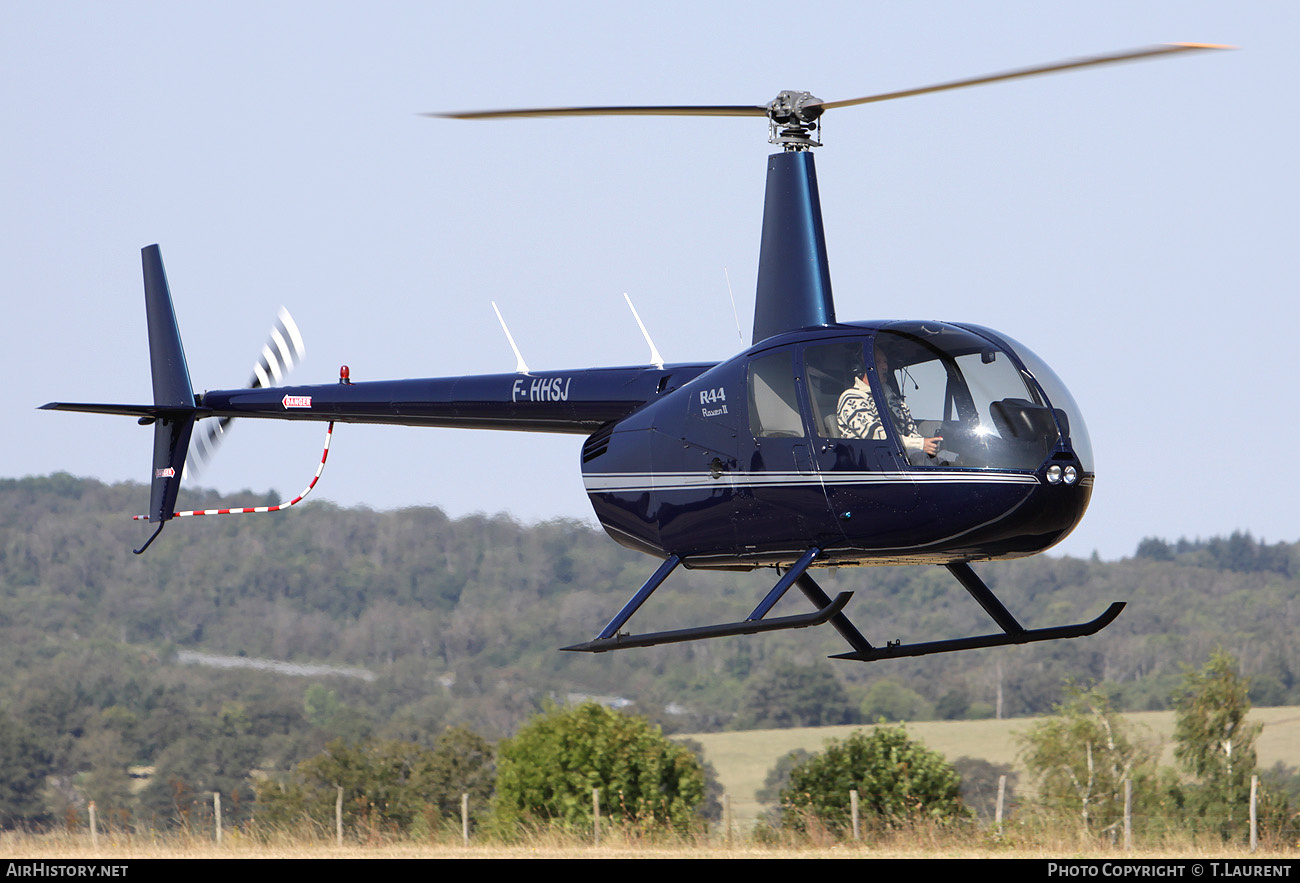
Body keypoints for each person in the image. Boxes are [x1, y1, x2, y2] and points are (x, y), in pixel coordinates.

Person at [836, 348, 942, 461]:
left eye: (885, 362)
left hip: (900, 457)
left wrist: (928, 447)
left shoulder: (894, 400)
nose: (884, 367)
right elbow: (876, 436)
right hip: (870, 462)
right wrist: (919, 444)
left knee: (947, 457)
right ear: (859, 368)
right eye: (877, 362)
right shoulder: (851, 398)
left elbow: (911, 432)